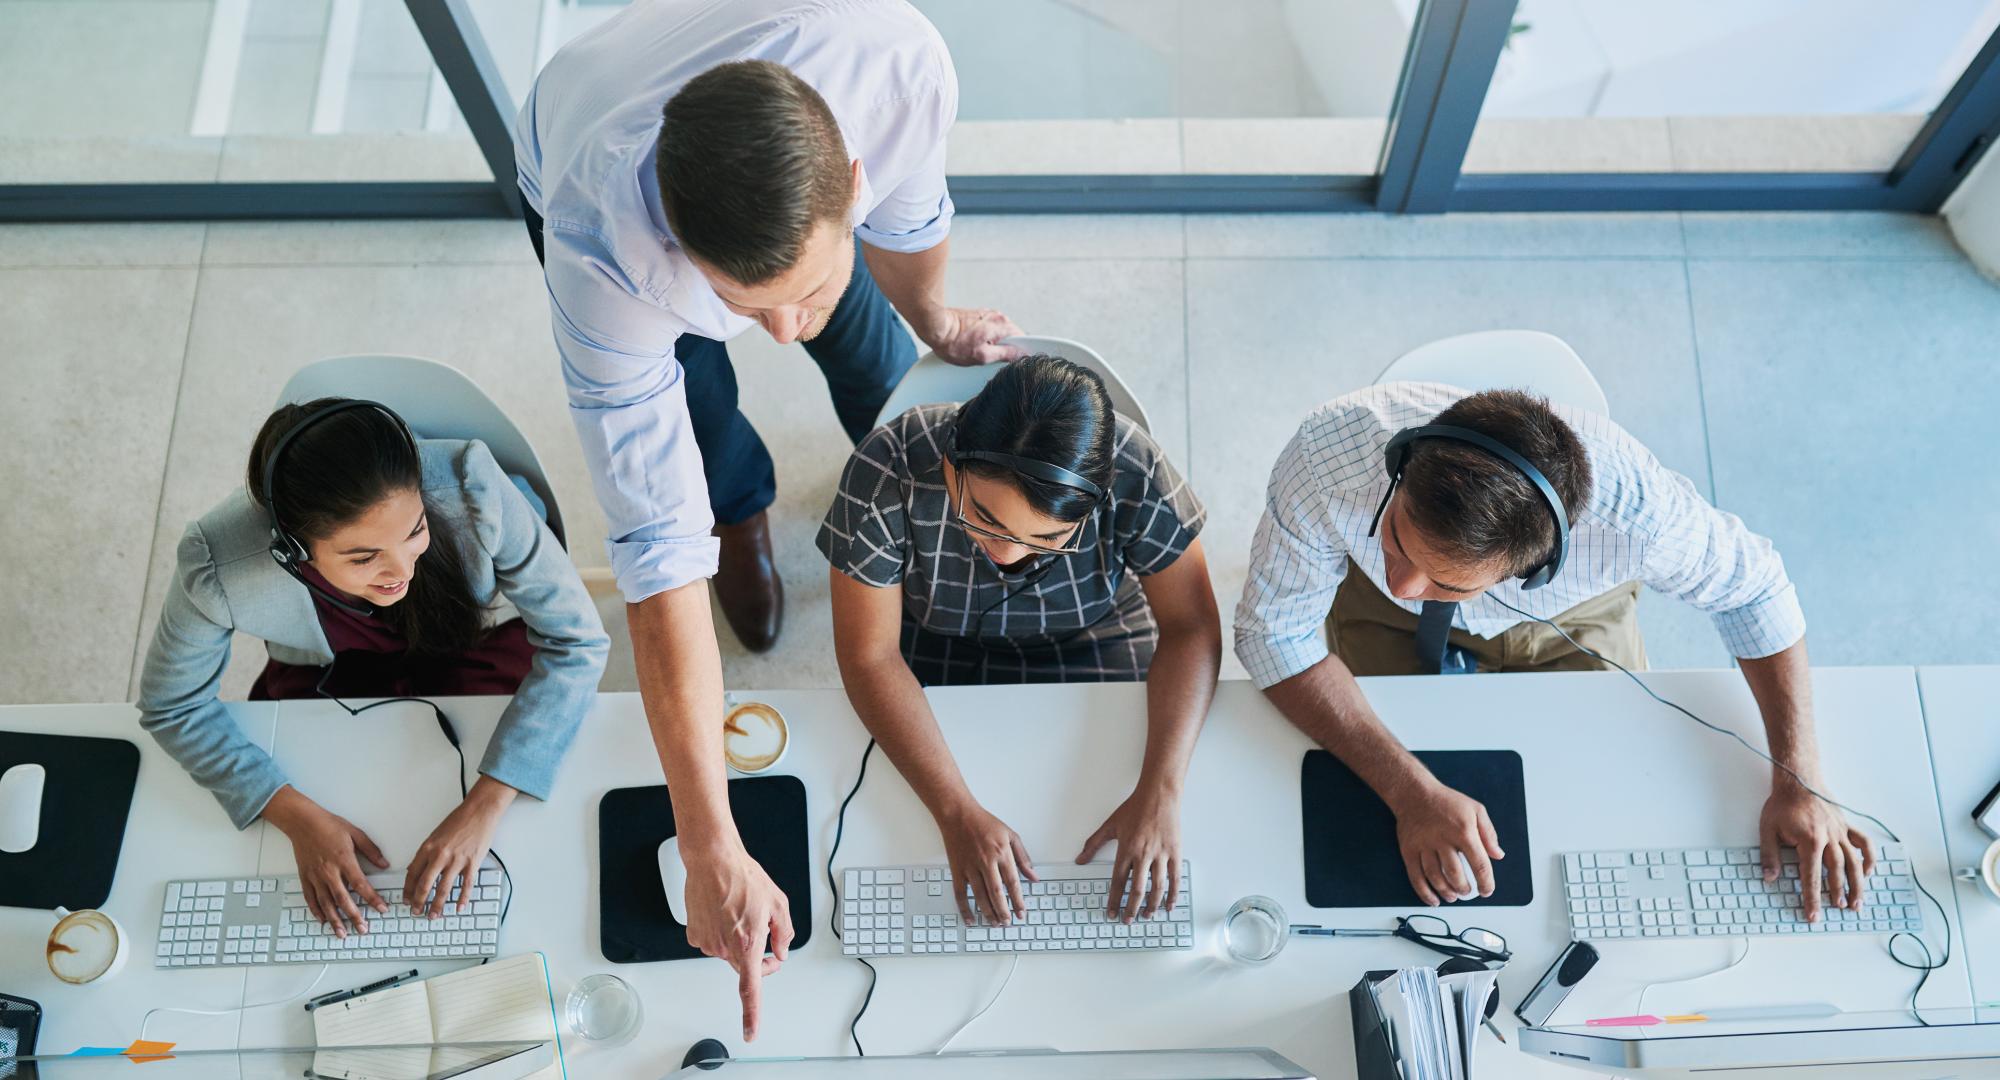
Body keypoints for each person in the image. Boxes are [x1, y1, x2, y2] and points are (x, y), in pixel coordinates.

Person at [513, 0, 1022, 1036]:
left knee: (876, 357)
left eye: (804, 289)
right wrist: (710, 843)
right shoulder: (598, 249)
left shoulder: (897, 71)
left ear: (851, 185)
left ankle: (890, 477)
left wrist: (930, 318)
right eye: (750, 307)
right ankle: (741, 508)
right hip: (576, 122)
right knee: (694, 407)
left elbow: (913, 224)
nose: (782, 335)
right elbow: (657, 562)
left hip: (802, 126)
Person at [1235, 382, 1870, 923]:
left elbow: (1755, 590)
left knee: (1606, 797)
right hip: (1374, 612)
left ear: (1534, 567)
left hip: (1571, 618)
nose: (1406, 583)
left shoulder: (1639, 517)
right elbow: (1274, 637)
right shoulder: (1329, 457)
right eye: (1400, 539)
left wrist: (1801, 779)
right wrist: (1411, 792)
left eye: (1445, 579)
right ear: (1401, 469)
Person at [138, 398, 609, 939]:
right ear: (293, 550)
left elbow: (577, 641)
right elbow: (172, 704)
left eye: (415, 531)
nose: (401, 571)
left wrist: (487, 802)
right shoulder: (216, 563)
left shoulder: (470, 483)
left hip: (473, 643)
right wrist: (293, 814)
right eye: (363, 558)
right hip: (331, 667)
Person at [818, 356, 1220, 925]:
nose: (1007, 553)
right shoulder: (886, 468)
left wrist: (1163, 790)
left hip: (1095, 634)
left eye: (1049, 538)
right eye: (985, 518)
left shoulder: (1136, 468)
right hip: (939, 639)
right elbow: (869, 654)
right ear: (950, 463)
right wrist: (955, 813)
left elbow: (1191, 627)